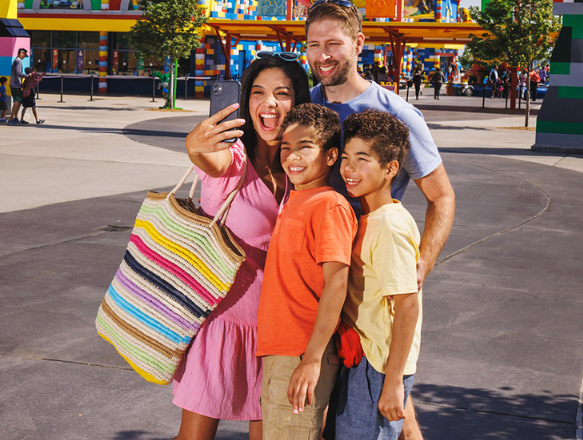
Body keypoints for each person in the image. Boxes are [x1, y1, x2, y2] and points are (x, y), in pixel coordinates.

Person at [303, 0, 455, 440]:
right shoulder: (307, 104)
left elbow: (441, 196)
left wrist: (421, 263)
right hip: (317, 276)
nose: (323, 54)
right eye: (314, 44)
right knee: (369, 408)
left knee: (376, 398)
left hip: (369, 282)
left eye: (334, 43)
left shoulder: (397, 114)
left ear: (358, 44)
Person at [178, 54, 311, 440]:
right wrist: (195, 143)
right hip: (220, 326)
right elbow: (208, 156)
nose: (269, 104)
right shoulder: (234, 159)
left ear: (297, 102)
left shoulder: (297, 168)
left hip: (277, 334)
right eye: (258, 93)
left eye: (282, 93)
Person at [257, 103, 355, 439]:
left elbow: (337, 283)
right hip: (279, 350)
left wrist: (312, 359)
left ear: (330, 157)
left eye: (304, 147)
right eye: (286, 147)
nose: (292, 156)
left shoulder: (329, 205)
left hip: (302, 351)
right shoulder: (294, 199)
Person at [334, 111, 423, 440]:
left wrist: (394, 382)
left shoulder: (389, 226)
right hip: (365, 359)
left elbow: (407, 306)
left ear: (390, 169)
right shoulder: (367, 217)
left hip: (379, 368)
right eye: (345, 158)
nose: (349, 168)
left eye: (362, 159)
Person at [6, 48, 30, 123]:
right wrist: (27, 76)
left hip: (16, 85)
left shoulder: (16, 61)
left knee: (18, 102)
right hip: (15, 85)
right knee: (17, 101)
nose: (24, 57)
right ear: (21, 53)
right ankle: (11, 118)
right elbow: (17, 73)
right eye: (24, 55)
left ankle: (15, 117)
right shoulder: (17, 61)